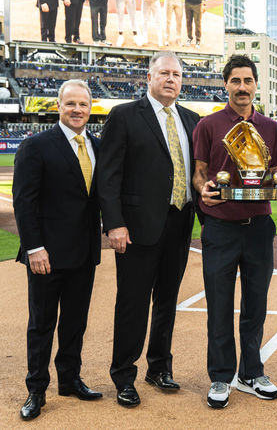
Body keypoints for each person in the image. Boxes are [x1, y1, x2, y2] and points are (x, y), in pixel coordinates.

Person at [97, 51, 199, 408]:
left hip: (180, 220)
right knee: (133, 302)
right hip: (138, 227)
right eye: (164, 73)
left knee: (168, 300)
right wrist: (114, 223)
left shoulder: (191, 118)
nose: (171, 79)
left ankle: (159, 367)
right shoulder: (125, 115)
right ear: (149, 77)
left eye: (176, 74)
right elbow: (108, 175)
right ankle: (124, 375)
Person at [192, 54, 277, 409]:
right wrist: (203, 189)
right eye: (235, 81)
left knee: (255, 305)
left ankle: (251, 372)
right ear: (225, 85)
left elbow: (276, 173)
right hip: (220, 227)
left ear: (255, 85)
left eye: (248, 81)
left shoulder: (271, 128)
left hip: (259, 226)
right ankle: (220, 376)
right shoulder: (209, 125)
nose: (242, 87)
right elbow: (200, 171)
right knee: (218, 304)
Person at [13, 80, 102, 420]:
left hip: (84, 252)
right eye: (70, 104)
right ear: (59, 106)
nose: (77, 109)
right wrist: (34, 248)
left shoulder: (97, 143)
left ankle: (69, 379)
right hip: (46, 254)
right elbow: (24, 201)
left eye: (82, 104)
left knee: (75, 322)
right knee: (41, 324)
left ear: (90, 107)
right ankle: (36, 389)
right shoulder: (36, 145)